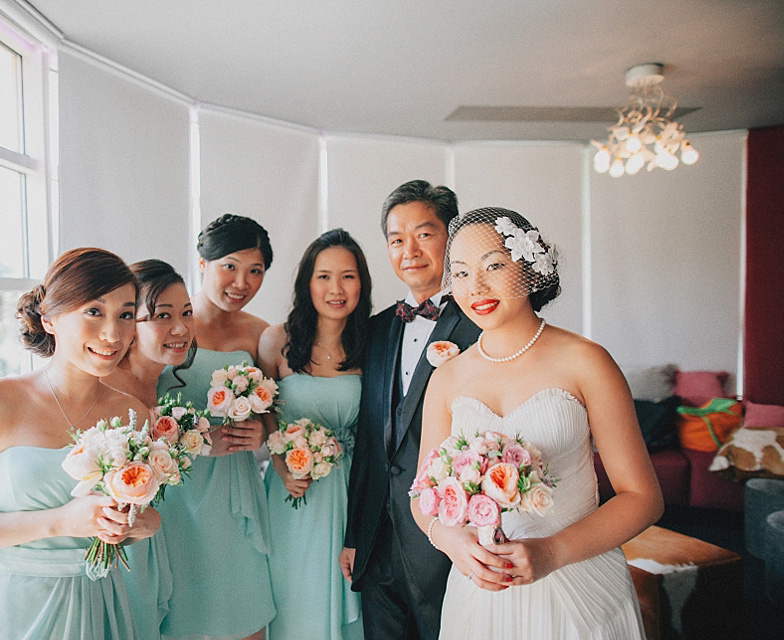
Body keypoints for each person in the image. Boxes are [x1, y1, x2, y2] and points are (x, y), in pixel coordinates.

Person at [413, 207, 663, 639]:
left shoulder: (587, 361)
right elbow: (422, 495)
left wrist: (552, 551)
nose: (477, 287)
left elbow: (643, 497)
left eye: (494, 266)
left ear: (529, 268)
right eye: (461, 273)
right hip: (481, 592)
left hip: (579, 587)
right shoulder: (447, 377)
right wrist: (451, 542)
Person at [0, 247, 161, 639]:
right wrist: (59, 522)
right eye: (93, 312)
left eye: (126, 315)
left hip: (98, 603)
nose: (112, 334)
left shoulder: (132, 415)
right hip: (10, 609)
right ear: (49, 319)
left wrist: (140, 524)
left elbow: (129, 517)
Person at [342, 180, 481, 639]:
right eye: (396, 239)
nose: (410, 250)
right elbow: (370, 438)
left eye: (424, 234)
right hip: (377, 535)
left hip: (448, 532)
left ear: (452, 237)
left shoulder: (481, 325)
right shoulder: (378, 328)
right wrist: (354, 534)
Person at [155, 214, 276, 640]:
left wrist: (262, 432)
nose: (242, 282)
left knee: (243, 615)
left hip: (232, 490)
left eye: (255, 271)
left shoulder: (261, 335)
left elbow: (275, 412)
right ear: (202, 262)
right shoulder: (167, 325)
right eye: (230, 265)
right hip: (175, 490)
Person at [258, 228, 371, 640]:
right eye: (324, 276)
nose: (336, 288)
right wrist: (282, 461)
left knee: (351, 596)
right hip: (292, 490)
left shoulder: (373, 345)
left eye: (348, 276)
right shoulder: (276, 341)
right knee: (292, 599)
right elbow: (266, 411)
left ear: (362, 282)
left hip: (351, 491)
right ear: (307, 282)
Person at [103, 259, 193, 638]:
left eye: (187, 312)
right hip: (114, 556)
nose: (180, 328)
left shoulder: (167, 390)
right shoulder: (105, 390)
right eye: (161, 315)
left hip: (154, 546)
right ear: (129, 324)